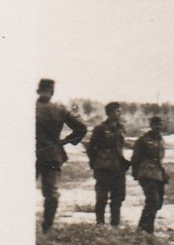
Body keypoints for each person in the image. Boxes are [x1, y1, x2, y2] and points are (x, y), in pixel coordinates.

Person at [35, 78, 87, 233]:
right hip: (51, 155)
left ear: (38, 91)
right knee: (51, 193)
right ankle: (47, 227)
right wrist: (64, 142)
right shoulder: (60, 110)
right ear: (52, 92)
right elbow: (81, 129)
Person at [85, 101, 129, 227]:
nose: (119, 113)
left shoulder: (121, 128)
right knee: (102, 197)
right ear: (109, 113)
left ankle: (115, 225)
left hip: (118, 168)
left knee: (118, 198)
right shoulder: (100, 129)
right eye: (117, 111)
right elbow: (91, 148)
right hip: (103, 168)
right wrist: (96, 163)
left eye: (120, 111)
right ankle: (100, 224)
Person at [131, 116, 169, 234]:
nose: (159, 127)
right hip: (146, 173)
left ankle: (144, 228)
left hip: (158, 174)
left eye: (161, 124)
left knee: (157, 203)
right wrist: (136, 174)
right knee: (152, 200)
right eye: (156, 124)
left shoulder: (161, 140)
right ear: (151, 125)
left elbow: (160, 158)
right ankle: (145, 230)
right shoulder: (143, 140)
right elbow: (135, 158)